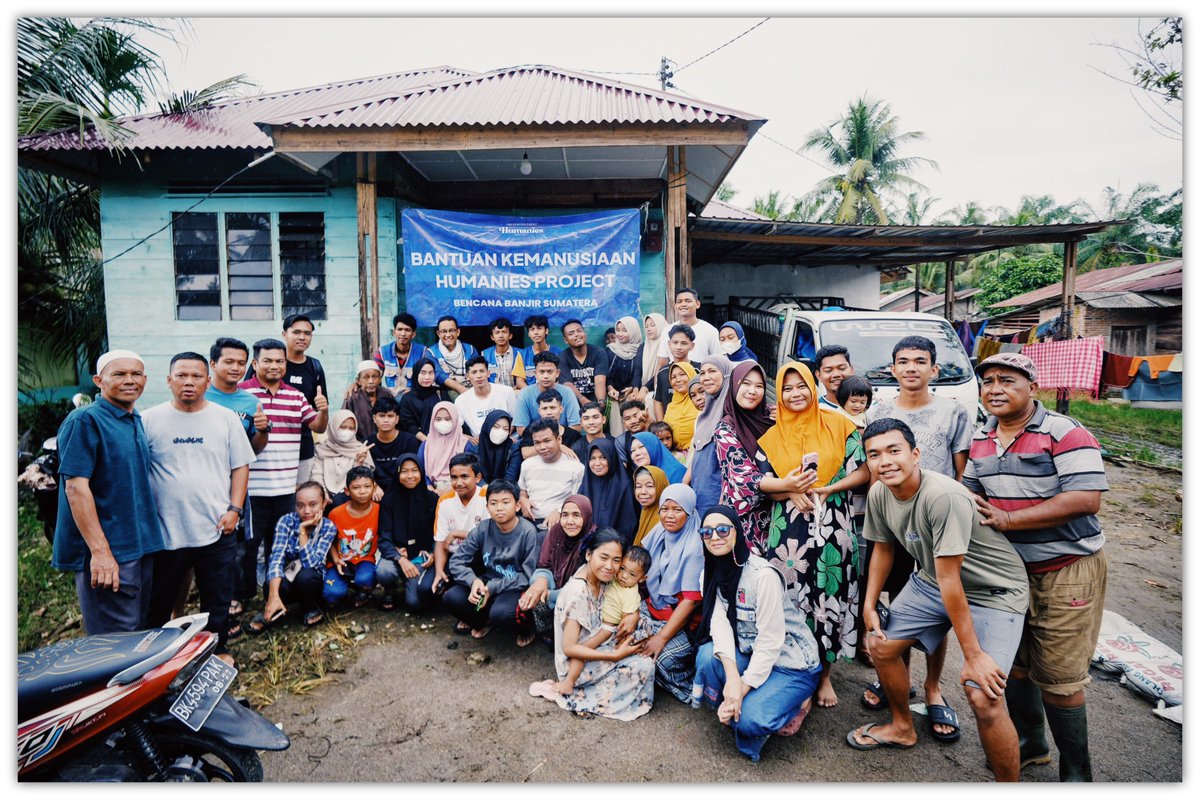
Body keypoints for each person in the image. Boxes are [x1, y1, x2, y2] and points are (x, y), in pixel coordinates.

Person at [850, 419, 1028, 783]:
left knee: (983, 696)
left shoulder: (942, 496)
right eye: (874, 454)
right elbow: (882, 549)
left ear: (915, 454)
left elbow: (953, 581)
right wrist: (869, 604)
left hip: (993, 590)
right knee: (881, 647)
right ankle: (902, 726)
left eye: (894, 450)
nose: (885, 461)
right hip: (933, 580)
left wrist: (974, 656)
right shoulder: (880, 494)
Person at [963, 353, 1109, 782]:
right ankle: (1031, 743)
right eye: (987, 381)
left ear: (1033, 387)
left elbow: (1085, 498)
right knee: (1018, 664)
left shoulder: (1064, 432)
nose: (994, 388)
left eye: (1007, 380)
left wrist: (1009, 519)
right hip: (1010, 572)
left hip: (1067, 566)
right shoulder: (982, 438)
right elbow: (968, 492)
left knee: (1059, 677)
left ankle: (1078, 772)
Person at [860, 336, 973, 730]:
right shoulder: (879, 409)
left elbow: (962, 471)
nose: (911, 368)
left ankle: (932, 687)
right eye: (903, 362)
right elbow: (873, 458)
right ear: (892, 370)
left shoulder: (952, 411)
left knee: (937, 610)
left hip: (937, 526)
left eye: (920, 361)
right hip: (897, 522)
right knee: (898, 606)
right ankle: (896, 679)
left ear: (933, 369)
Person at [755, 361, 869, 708]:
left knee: (828, 595)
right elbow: (762, 487)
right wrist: (789, 491)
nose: (795, 394)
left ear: (813, 386)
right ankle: (793, 672)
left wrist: (826, 489)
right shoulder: (771, 436)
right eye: (787, 388)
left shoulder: (840, 424)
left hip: (833, 524)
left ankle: (824, 676)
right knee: (789, 599)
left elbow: (864, 471)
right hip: (787, 530)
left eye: (800, 386)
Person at [143, 352, 254, 663]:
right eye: (181, 376)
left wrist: (235, 508)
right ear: (168, 380)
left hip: (217, 526)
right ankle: (156, 656)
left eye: (195, 376)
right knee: (160, 598)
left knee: (217, 596)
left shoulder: (225, 418)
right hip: (166, 529)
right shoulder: (149, 420)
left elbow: (240, 466)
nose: (188, 382)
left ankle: (216, 650)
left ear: (208, 380)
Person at [693, 507, 823, 762]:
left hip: (791, 662)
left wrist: (739, 690)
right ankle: (748, 699)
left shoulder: (762, 576)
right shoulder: (707, 574)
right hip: (752, 653)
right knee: (707, 656)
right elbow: (719, 627)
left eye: (722, 529)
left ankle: (800, 702)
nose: (715, 537)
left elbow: (771, 641)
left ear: (737, 532)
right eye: (707, 532)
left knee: (750, 721)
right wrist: (733, 681)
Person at [528, 528, 655, 721]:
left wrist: (634, 614)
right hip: (575, 663)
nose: (610, 566)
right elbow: (570, 648)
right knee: (644, 667)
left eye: (616, 560)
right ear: (588, 554)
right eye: (603, 557)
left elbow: (628, 597)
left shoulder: (606, 577)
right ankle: (572, 690)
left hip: (597, 644)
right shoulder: (578, 593)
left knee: (643, 648)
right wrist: (614, 656)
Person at [239, 338, 328, 604]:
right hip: (252, 489)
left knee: (278, 546)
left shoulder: (296, 395)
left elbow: (318, 427)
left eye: (279, 361)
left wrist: (323, 411)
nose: (274, 366)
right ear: (255, 364)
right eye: (267, 360)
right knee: (248, 547)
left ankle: (273, 595)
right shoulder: (243, 394)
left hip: (286, 488)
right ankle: (242, 597)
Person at [445, 480, 542, 644]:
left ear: (517, 506)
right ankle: (484, 622)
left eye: (506, 502)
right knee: (451, 597)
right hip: (486, 582)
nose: (499, 508)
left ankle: (526, 629)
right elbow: (456, 561)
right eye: (493, 503)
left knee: (501, 613)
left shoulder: (528, 532)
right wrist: (473, 581)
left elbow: (529, 576)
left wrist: (493, 587)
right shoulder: (483, 528)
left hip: (514, 587)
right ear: (487, 507)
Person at [639, 484, 705, 703]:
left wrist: (661, 638)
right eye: (664, 509)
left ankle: (692, 686)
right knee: (623, 637)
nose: (669, 516)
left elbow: (691, 602)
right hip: (655, 608)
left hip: (685, 622)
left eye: (677, 510)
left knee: (660, 660)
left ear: (689, 512)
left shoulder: (695, 546)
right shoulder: (659, 532)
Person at [252, 481, 339, 631]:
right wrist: (273, 595)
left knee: (307, 577)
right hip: (288, 576)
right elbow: (276, 558)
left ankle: (309, 607)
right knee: (271, 584)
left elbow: (312, 564)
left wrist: (303, 532)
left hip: (310, 582)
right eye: (300, 505)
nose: (306, 511)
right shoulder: (285, 521)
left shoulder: (328, 527)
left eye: (313, 504)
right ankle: (275, 605)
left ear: (324, 503)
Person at [712, 361, 778, 552]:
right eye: (745, 383)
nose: (752, 391)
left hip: (777, 516)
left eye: (759, 386)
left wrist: (788, 420)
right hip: (744, 520)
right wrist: (790, 487)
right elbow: (744, 479)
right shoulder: (725, 429)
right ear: (734, 385)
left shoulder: (772, 419)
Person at [518, 495, 596, 638]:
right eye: (564, 515)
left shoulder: (594, 540)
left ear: (587, 515)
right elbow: (544, 565)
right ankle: (550, 634)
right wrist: (541, 581)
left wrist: (550, 595)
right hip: (556, 587)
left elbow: (588, 589)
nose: (569, 521)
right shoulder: (556, 531)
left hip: (582, 600)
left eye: (576, 515)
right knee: (535, 596)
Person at [430, 453, 489, 625]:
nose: (458, 482)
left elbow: (488, 535)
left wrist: (457, 533)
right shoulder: (445, 501)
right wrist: (439, 570)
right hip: (455, 557)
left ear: (477, 477)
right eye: (454, 477)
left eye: (465, 476)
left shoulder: (487, 496)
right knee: (424, 592)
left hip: (480, 558)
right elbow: (440, 540)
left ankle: (478, 617)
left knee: (465, 591)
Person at [376, 454, 438, 612]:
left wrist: (433, 553)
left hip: (420, 557)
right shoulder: (389, 500)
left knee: (415, 604)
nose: (410, 476)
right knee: (384, 571)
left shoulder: (431, 499)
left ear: (421, 472)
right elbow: (384, 537)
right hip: (397, 554)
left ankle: (412, 582)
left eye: (414, 471)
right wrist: (399, 558)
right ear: (397, 473)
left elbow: (439, 533)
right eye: (404, 471)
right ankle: (389, 589)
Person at [323, 466, 380, 609]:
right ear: (347, 490)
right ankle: (341, 587)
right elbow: (328, 541)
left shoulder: (379, 511)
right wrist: (336, 560)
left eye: (367, 486)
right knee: (332, 595)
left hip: (365, 560)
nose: (362, 492)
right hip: (340, 561)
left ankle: (364, 591)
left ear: (374, 488)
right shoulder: (336, 514)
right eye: (356, 487)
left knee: (366, 579)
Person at [281, 314, 328, 484]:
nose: (302, 337)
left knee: (300, 498)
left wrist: (324, 410)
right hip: (270, 449)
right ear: (284, 334)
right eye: (297, 332)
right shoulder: (271, 363)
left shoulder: (314, 367)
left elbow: (320, 419)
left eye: (307, 333)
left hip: (303, 447)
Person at [686, 355, 735, 512]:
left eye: (712, 371)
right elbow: (698, 453)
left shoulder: (733, 412)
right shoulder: (704, 415)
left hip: (721, 495)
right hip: (700, 490)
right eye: (702, 373)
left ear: (726, 373)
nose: (706, 377)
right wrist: (685, 482)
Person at [518, 418, 585, 530]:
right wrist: (523, 500)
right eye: (537, 443)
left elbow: (578, 500)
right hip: (530, 523)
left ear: (558, 439)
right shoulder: (527, 465)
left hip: (561, 524)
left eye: (547, 441)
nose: (542, 447)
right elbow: (523, 492)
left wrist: (560, 511)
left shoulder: (576, 468)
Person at [206, 337, 269, 454]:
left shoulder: (252, 403)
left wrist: (263, 431)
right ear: (213, 364)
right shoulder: (198, 397)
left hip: (236, 470)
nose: (235, 368)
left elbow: (254, 450)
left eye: (241, 363)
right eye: (229, 362)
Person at [579, 439, 639, 544]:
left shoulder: (624, 486)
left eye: (603, 457)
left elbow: (628, 527)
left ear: (611, 457)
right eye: (592, 458)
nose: (597, 463)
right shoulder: (586, 485)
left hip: (615, 547)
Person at [310, 410, 375, 505]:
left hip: (352, 496)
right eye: (343, 427)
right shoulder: (321, 448)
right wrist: (323, 495)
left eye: (351, 428)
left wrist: (359, 462)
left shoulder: (361, 449)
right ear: (333, 427)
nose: (347, 431)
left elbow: (363, 480)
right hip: (326, 495)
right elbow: (316, 475)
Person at [365, 394, 420, 497]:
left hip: (403, 487)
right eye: (381, 416)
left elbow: (411, 471)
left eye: (390, 416)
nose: (386, 420)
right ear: (374, 418)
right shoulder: (367, 443)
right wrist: (374, 486)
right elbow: (365, 472)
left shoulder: (409, 441)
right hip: (376, 490)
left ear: (397, 419)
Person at [514, 351, 581, 434]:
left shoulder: (567, 392)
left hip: (564, 439)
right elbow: (521, 429)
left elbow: (576, 426)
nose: (545, 376)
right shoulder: (525, 394)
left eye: (550, 371)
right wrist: (544, 440)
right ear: (535, 374)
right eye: (541, 372)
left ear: (557, 373)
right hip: (534, 441)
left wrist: (556, 441)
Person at [655, 288, 720, 369]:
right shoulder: (667, 330)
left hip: (700, 379)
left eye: (688, 301)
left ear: (697, 304)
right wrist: (657, 382)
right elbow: (661, 363)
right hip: (674, 379)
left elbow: (718, 362)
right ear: (675, 306)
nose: (683, 304)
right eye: (679, 301)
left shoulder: (710, 331)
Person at [454, 355, 517, 438]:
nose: (479, 376)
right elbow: (455, 429)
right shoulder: (461, 400)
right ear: (467, 377)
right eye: (474, 372)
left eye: (482, 371)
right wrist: (469, 438)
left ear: (488, 373)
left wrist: (506, 435)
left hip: (505, 437)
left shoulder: (506, 392)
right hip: (479, 443)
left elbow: (516, 419)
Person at [605, 316, 648, 433]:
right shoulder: (610, 349)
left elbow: (638, 371)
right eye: (618, 330)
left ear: (633, 330)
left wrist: (633, 388)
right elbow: (607, 374)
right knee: (615, 420)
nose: (620, 334)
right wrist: (610, 388)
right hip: (613, 394)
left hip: (631, 393)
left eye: (625, 330)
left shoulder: (641, 349)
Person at [650, 325, 701, 421]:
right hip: (670, 425)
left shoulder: (699, 370)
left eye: (684, 343)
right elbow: (658, 401)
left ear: (692, 346)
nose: (678, 347)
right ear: (669, 344)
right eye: (675, 342)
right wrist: (662, 425)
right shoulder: (662, 372)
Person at [418, 401, 471, 493]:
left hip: (459, 490)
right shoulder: (426, 444)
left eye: (447, 419)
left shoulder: (465, 443)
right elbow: (419, 468)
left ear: (455, 419)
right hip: (431, 491)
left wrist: (451, 489)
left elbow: (470, 471)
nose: (443, 423)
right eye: (438, 419)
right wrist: (429, 487)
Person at [373, 312, 428, 396]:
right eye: (399, 329)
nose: (403, 334)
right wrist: (355, 384)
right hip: (389, 399)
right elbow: (373, 377)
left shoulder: (423, 352)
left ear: (413, 334)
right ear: (394, 332)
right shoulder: (382, 352)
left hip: (414, 398)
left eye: (407, 330)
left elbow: (428, 379)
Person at [558, 318, 609, 407]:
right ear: (565, 340)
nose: (577, 335)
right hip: (574, 401)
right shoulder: (562, 357)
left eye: (579, 331)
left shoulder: (599, 353)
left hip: (595, 399)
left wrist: (601, 402)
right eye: (571, 333)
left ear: (584, 333)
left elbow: (600, 381)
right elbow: (567, 384)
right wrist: (584, 401)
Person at [465, 410, 522, 485]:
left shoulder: (513, 447)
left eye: (505, 429)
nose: (500, 432)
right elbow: (472, 473)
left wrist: (498, 493)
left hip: (505, 490)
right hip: (480, 490)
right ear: (488, 426)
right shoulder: (475, 445)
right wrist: (486, 489)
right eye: (496, 427)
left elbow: (510, 477)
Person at [399, 357, 449, 441]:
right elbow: (408, 424)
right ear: (416, 374)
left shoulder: (440, 393)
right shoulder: (407, 398)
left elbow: (452, 416)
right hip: (417, 442)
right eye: (423, 373)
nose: (427, 377)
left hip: (443, 439)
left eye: (431, 373)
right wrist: (426, 440)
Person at [518, 391, 583, 457]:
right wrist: (559, 446)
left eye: (552, 408)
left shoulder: (573, 435)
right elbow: (525, 454)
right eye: (544, 408)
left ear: (561, 409)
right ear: (539, 411)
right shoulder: (531, 430)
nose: (549, 412)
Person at [432, 314, 478, 396]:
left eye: (452, 330)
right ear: (438, 334)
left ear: (458, 332)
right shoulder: (431, 352)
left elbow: (476, 371)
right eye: (444, 331)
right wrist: (460, 389)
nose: (448, 335)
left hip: (471, 387)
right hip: (445, 391)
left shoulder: (469, 349)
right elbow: (439, 376)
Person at [343, 360, 384, 440]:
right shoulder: (352, 397)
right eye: (366, 377)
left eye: (374, 377)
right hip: (359, 444)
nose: (371, 381)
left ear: (379, 380)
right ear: (358, 381)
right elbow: (344, 422)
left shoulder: (386, 394)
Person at [481, 317, 527, 388]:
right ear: (492, 337)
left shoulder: (521, 354)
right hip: (494, 395)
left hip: (516, 394)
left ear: (510, 335)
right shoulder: (484, 354)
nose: (501, 336)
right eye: (497, 333)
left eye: (504, 332)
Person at [632, 465, 669, 547]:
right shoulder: (646, 511)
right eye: (638, 486)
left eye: (649, 486)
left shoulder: (666, 521)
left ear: (660, 487)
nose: (643, 492)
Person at [520, 314, 560, 387]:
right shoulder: (522, 354)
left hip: (553, 393)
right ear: (528, 334)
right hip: (531, 395)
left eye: (539, 328)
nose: (536, 332)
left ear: (546, 331)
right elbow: (520, 381)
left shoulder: (558, 352)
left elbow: (561, 379)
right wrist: (532, 393)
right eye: (532, 329)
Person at [813, 344, 854, 411]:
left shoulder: (869, 407)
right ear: (818, 376)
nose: (836, 374)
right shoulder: (815, 410)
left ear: (851, 370)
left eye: (842, 368)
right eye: (828, 370)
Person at [614, 399, 650, 469]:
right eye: (627, 419)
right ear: (623, 422)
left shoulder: (654, 431)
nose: (633, 421)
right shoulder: (621, 441)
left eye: (636, 416)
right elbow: (623, 468)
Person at [641, 312, 669, 394]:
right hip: (643, 391)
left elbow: (663, 369)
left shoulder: (668, 346)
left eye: (652, 325)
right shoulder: (643, 347)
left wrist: (646, 387)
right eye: (646, 326)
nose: (648, 329)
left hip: (662, 390)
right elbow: (638, 370)